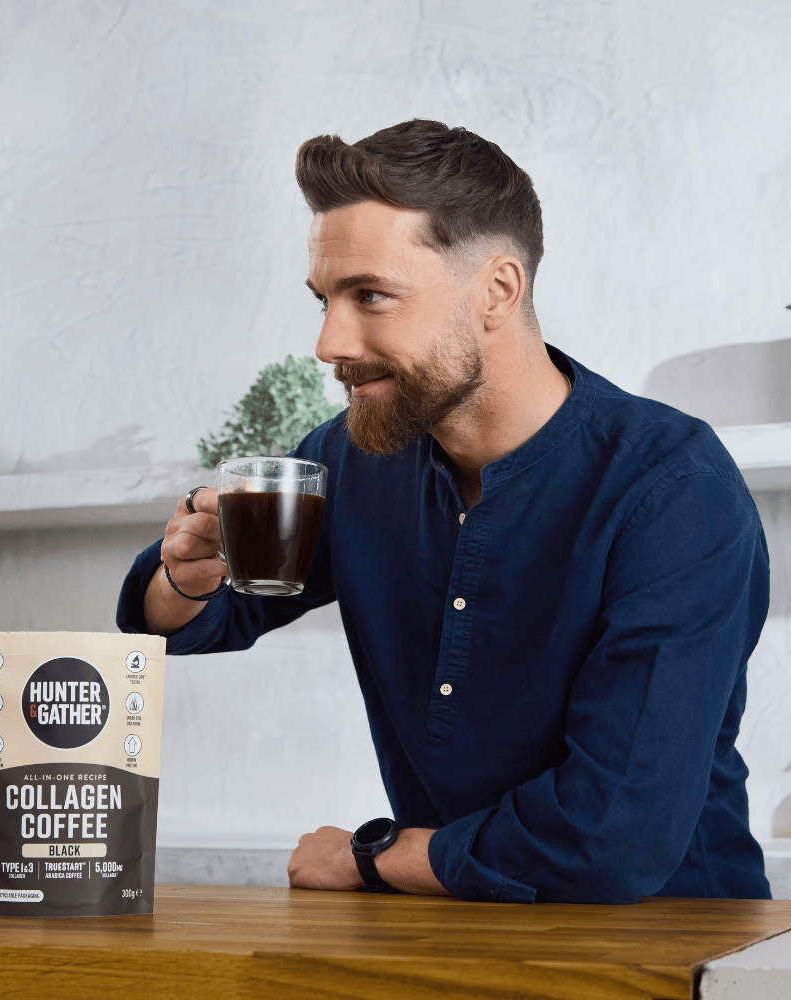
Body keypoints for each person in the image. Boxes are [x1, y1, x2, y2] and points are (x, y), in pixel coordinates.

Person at [117, 120, 771, 903]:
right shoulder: (349, 457)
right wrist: (183, 580)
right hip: (454, 928)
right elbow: (212, 618)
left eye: (371, 296)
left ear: (497, 290)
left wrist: (370, 856)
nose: (328, 342)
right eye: (324, 299)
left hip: (670, 946)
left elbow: (611, 838)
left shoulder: (673, 490)